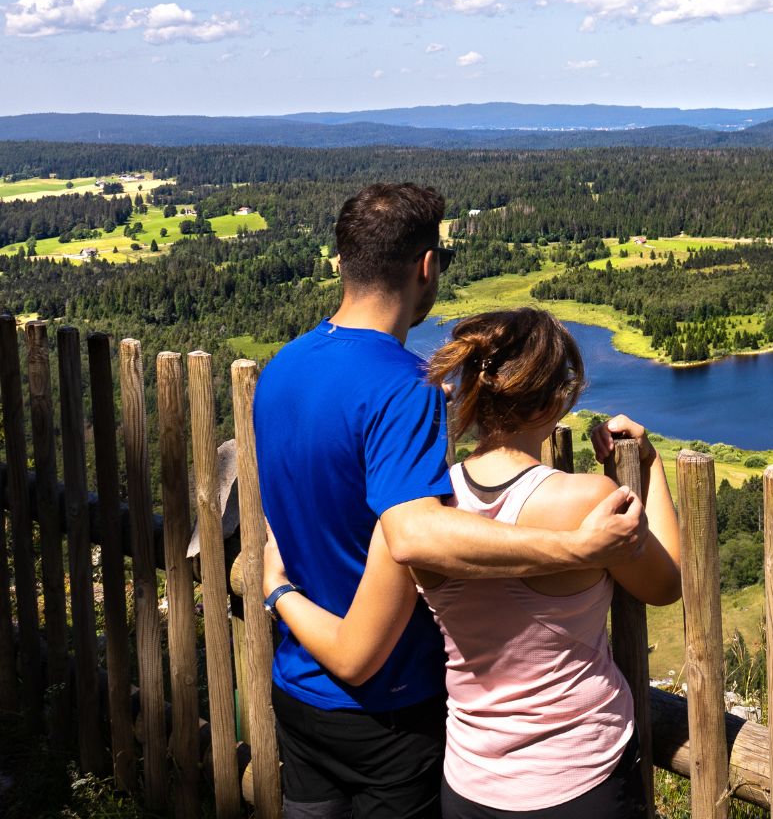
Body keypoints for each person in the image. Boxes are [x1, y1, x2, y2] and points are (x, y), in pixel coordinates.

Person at [255, 184, 648, 819]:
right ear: (426, 267)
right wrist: (575, 547)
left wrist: (279, 591)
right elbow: (413, 535)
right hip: (388, 708)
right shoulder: (402, 388)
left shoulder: (282, 369)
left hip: (298, 693)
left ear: (342, 262)